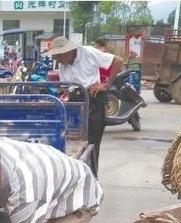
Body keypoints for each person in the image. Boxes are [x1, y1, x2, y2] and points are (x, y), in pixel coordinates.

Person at [48, 36, 124, 176]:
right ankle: (76, 174)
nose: (57, 60)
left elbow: (118, 61)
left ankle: (92, 176)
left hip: (94, 98)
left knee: (92, 142)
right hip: (76, 101)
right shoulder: (63, 65)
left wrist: (106, 85)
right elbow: (67, 87)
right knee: (73, 140)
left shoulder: (88, 53)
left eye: (58, 56)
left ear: (67, 52)